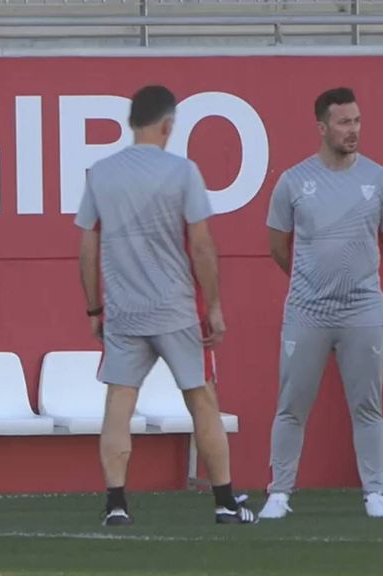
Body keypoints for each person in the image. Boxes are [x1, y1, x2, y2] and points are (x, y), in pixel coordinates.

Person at [75, 85, 256, 526]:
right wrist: (212, 306)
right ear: (168, 125)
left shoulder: (100, 173)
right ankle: (224, 502)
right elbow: (201, 245)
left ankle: (116, 504)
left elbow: (87, 245)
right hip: (174, 308)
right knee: (201, 399)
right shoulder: (183, 172)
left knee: (119, 401)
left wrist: (95, 308)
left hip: (124, 308)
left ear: (131, 124)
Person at [259, 87, 383, 520]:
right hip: (306, 311)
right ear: (322, 127)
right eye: (344, 122)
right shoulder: (292, 181)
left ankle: (376, 492)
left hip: (362, 310)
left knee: (368, 405)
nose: (353, 130)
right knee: (291, 405)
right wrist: (313, 283)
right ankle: (280, 492)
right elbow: (278, 246)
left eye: (357, 121)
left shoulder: (380, 180)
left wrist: (358, 282)